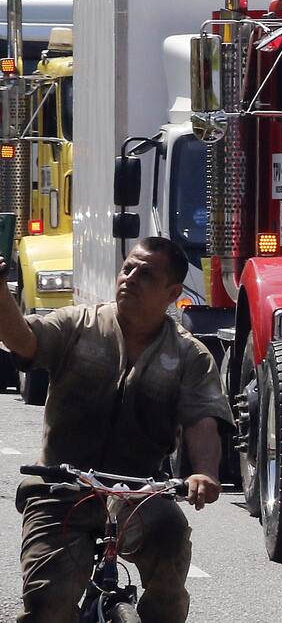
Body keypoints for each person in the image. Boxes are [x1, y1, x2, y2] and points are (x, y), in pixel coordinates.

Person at [0, 236, 234, 622]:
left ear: (172, 292)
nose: (130, 278)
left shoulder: (189, 355)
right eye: (128, 268)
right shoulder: (78, 324)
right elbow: (24, 342)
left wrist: (205, 472)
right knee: (48, 602)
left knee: (171, 538)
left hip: (139, 492)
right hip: (61, 488)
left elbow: (202, 420)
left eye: (146, 274)